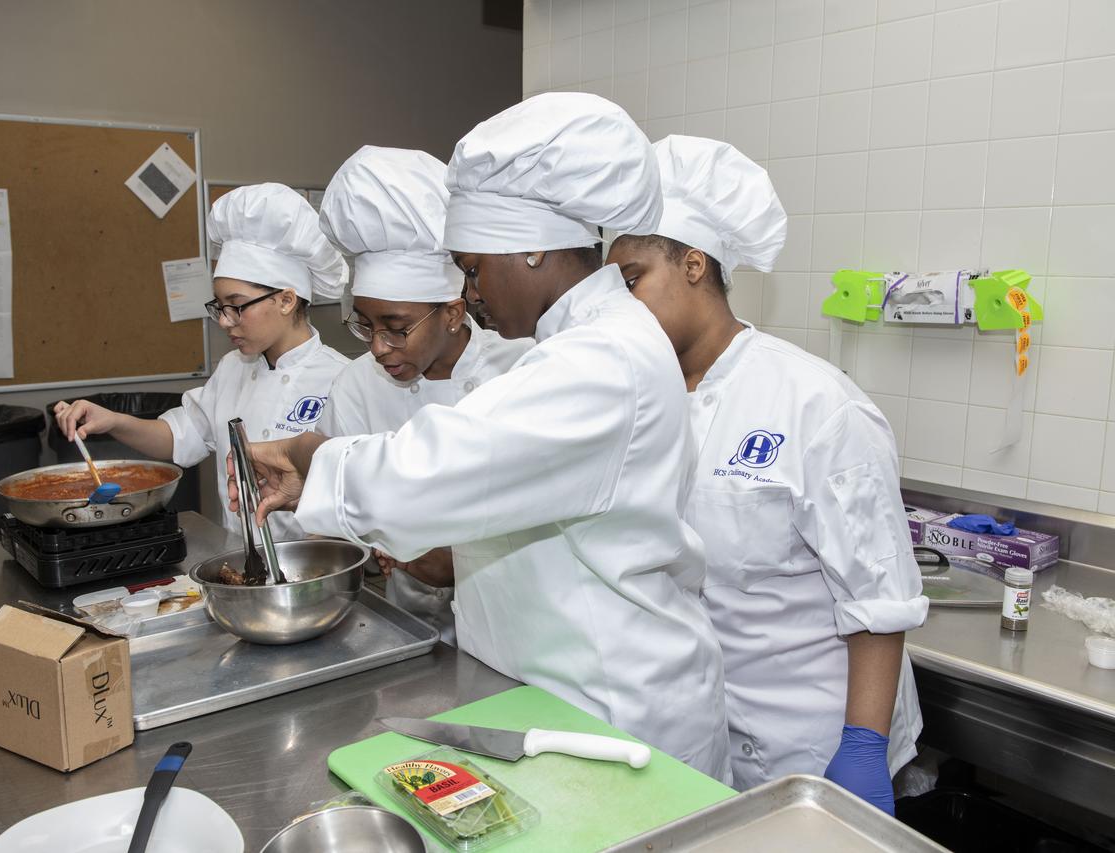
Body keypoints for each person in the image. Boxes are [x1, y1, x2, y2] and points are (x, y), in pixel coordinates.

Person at [230, 94, 730, 780]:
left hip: (619, 717)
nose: (471, 290)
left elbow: (443, 468)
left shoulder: (604, 359)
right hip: (555, 704)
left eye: (471, 266)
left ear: (529, 249)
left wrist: (310, 460)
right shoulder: (581, 346)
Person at [607, 135, 927, 813]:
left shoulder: (817, 404)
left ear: (694, 264)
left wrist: (862, 746)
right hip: (705, 739)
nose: (618, 302)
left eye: (631, 277)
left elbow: (879, 597)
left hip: (819, 749)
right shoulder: (637, 399)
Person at [317, 145, 533, 643]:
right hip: (405, 624)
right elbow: (349, 505)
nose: (377, 347)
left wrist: (458, 560)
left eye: (396, 328)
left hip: (517, 628)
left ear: (454, 314)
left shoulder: (520, 368)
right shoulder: (355, 386)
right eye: (364, 325)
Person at [55, 184, 348, 539]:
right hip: (241, 563)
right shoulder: (232, 369)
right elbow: (179, 437)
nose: (224, 321)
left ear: (286, 300)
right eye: (219, 306)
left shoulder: (341, 379)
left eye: (236, 305)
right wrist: (113, 421)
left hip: (315, 571)